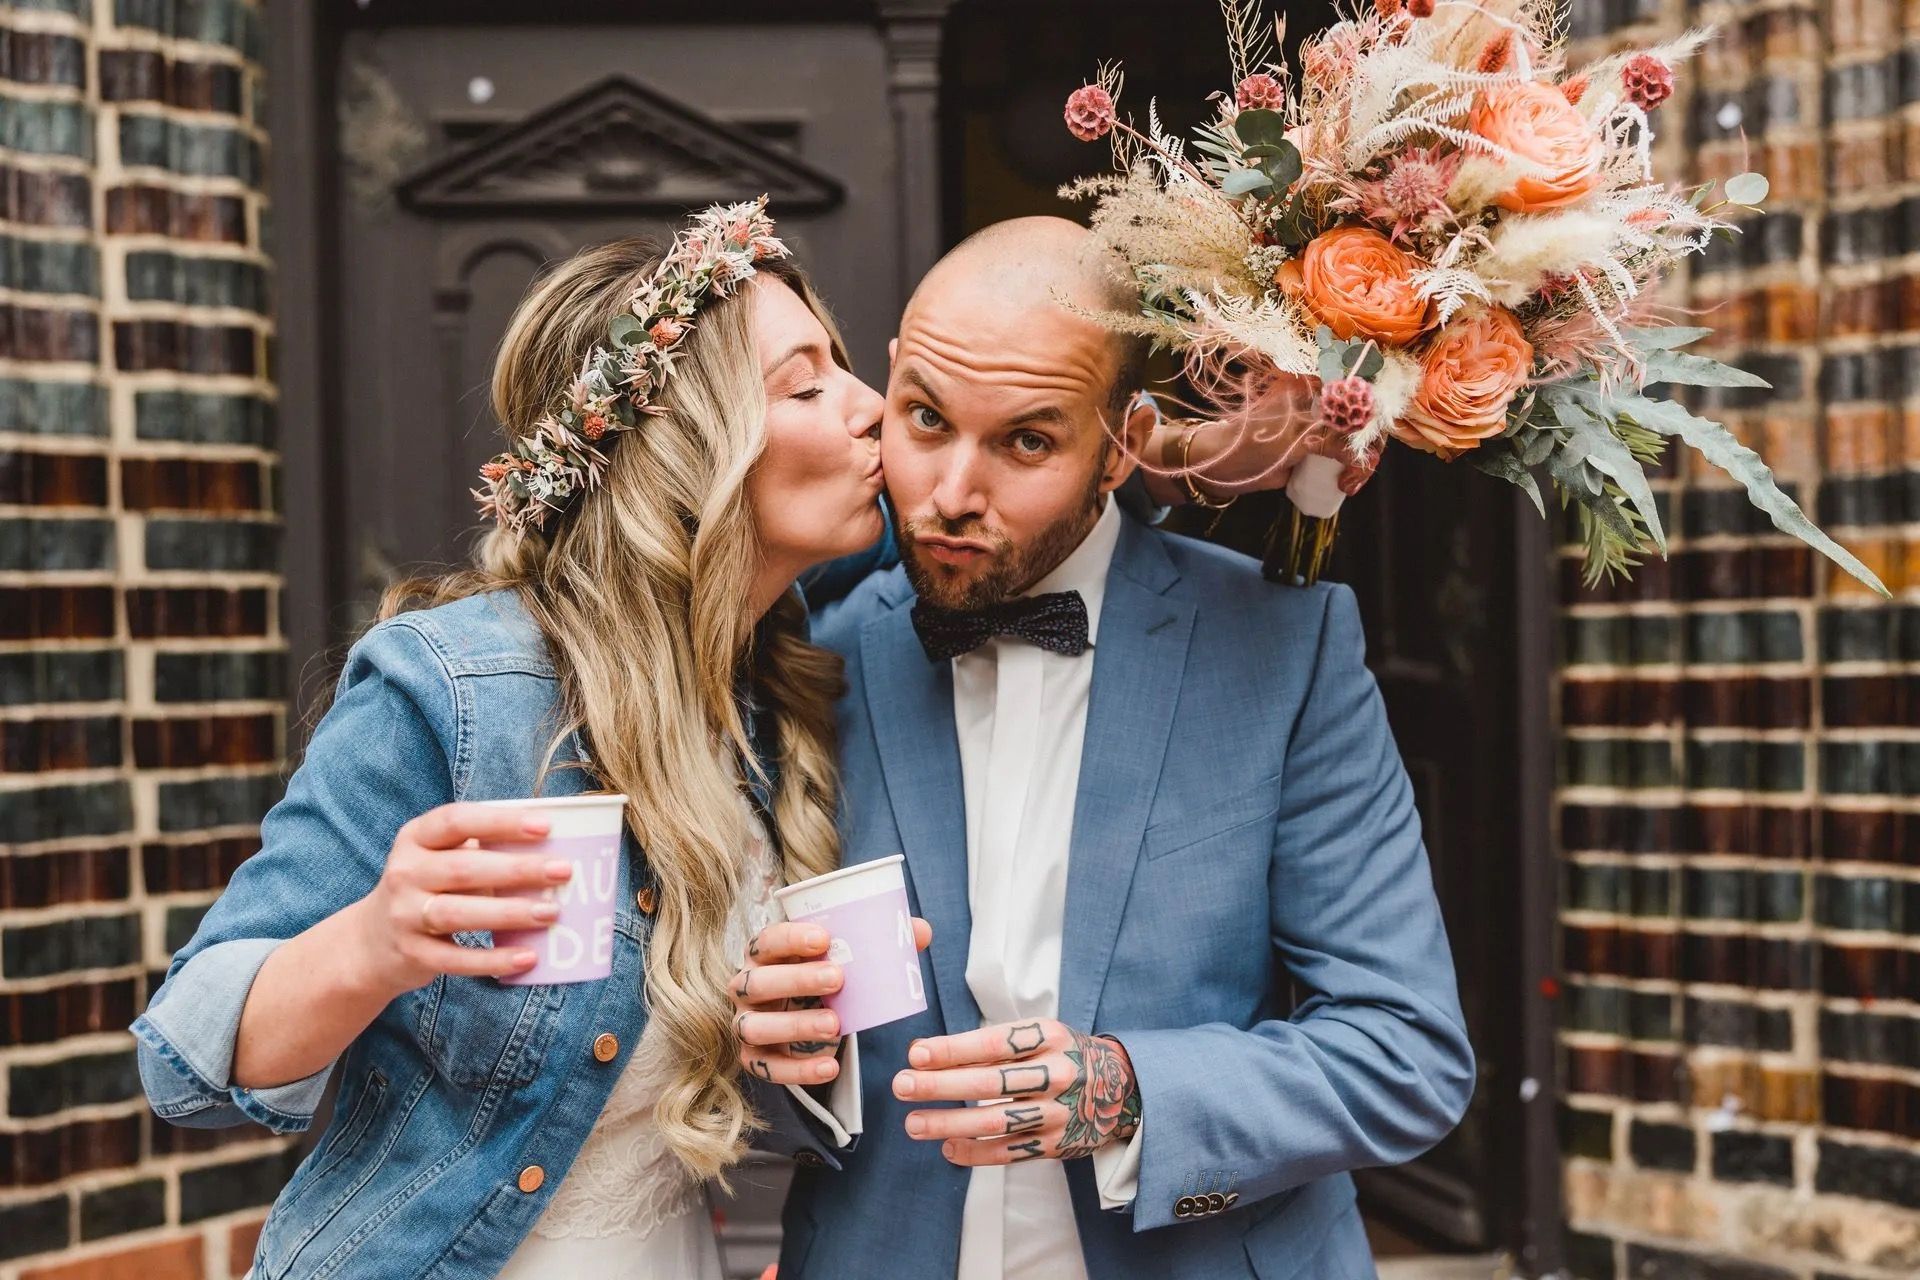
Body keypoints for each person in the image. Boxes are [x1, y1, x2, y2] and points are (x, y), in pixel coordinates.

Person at [131, 201, 1292, 1280]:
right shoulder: (457, 684)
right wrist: (376, 941)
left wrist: (791, 1042)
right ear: (695, 445)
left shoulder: (780, 703)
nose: (869, 409)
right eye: (805, 384)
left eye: (846, 366)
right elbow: (182, 1059)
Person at [734, 218, 1475, 1280]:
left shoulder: (1284, 649)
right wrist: (773, 1049)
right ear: (889, 384)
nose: (950, 491)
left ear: (1124, 439)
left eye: (1026, 441)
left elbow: (1405, 1053)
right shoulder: (804, 651)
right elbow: (710, 1080)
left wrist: (1127, 1090)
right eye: (926, 419)